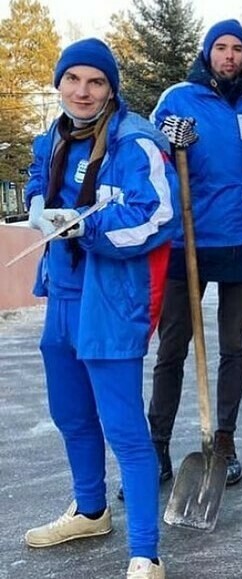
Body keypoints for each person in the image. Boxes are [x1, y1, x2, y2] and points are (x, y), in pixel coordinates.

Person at [23, 38, 178, 579]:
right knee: (71, 415)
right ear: (60, 84)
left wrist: (88, 224)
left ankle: (145, 552)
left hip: (111, 297)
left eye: (95, 82)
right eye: (73, 80)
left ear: (111, 88)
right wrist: (39, 205)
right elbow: (38, 179)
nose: (83, 91)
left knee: (126, 429)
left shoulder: (137, 142)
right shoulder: (55, 134)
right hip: (62, 292)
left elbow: (159, 216)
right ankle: (90, 510)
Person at [145, 19, 242, 490]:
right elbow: (146, 152)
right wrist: (167, 140)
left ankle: (223, 439)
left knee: (234, 346)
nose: (229, 56)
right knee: (173, 347)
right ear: (208, 53)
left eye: (237, 49)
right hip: (188, 239)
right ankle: (157, 445)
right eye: (221, 48)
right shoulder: (179, 97)